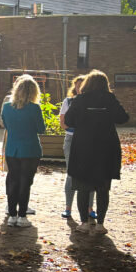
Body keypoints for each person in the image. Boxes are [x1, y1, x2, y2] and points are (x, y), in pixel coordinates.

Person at [64, 70, 129, 234]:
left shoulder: (80, 99)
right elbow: (123, 118)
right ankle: (100, 224)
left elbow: (68, 120)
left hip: (83, 147)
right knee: (103, 187)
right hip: (106, 147)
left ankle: (84, 223)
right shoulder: (110, 98)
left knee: (83, 187)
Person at [1, 74, 45, 228]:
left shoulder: (7, 107)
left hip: (12, 149)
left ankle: (12, 215)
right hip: (30, 149)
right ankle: (22, 216)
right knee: (25, 182)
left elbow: (5, 125)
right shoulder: (34, 108)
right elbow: (41, 129)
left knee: (13, 181)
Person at [58, 75, 87, 219]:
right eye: (77, 85)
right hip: (71, 139)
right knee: (71, 173)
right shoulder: (68, 101)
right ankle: (68, 207)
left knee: (89, 174)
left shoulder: (91, 102)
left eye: (83, 85)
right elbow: (63, 123)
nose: (80, 88)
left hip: (88, 140)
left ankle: (89, 208)